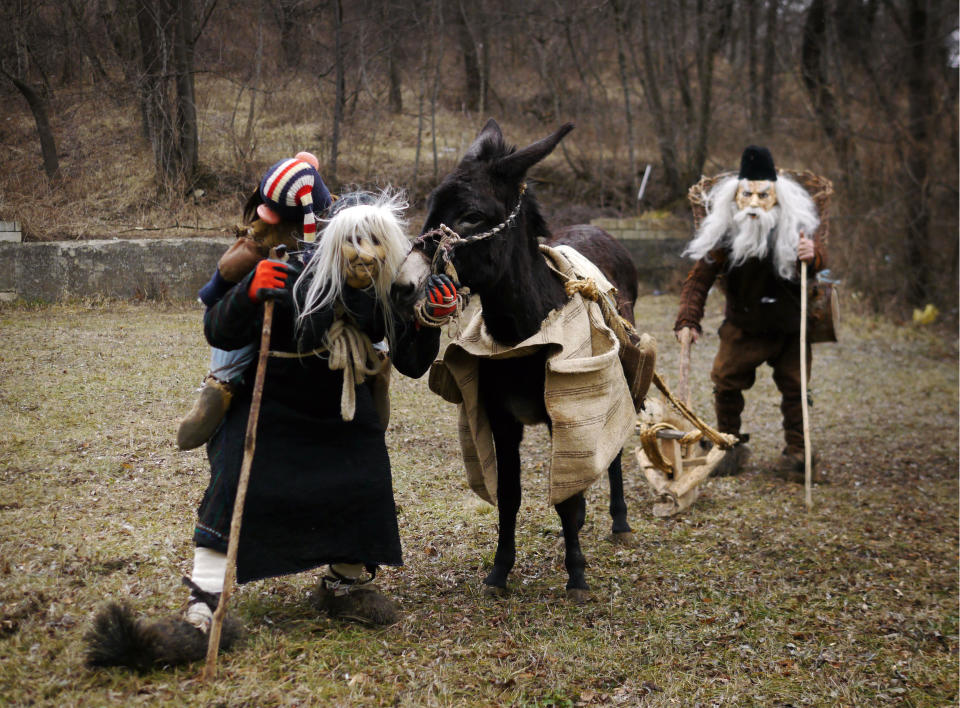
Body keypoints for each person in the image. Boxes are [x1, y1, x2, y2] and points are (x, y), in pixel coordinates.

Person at [85, 190, 460, 670]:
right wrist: (248, 291)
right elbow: (218, 330)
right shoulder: (293, 271)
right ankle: (203, 604)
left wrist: (429, 321)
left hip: (339, 408)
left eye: (375, 242)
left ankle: (345, 583)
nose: (365, 253)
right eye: (354, 241)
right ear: (334, 242)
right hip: (271, 398)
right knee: (236, 475)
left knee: (363, 475)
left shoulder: (384, 292)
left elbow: (409, 364)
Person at [674, 145, 825, 481]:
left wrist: (812, 256)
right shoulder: (725, 237)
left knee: (796, 389)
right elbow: (698, 280)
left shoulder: (795, 230)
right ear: (736, 195)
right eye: (747, 194)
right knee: (725, 382)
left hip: (790, 327)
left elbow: (818, 265)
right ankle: (729, 444)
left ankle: (799, 451)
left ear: (777, 196)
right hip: (743, 326)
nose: (755, 203)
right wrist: (688, 319)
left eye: (763, 195)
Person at [176, 152, 333, 451]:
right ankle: (219, 386)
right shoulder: (257, 246)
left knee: (372, 342)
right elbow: (224, 283)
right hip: (257, 305)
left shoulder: (336, 224)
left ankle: (377, 370)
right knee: (235, 348)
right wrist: (241, 289)